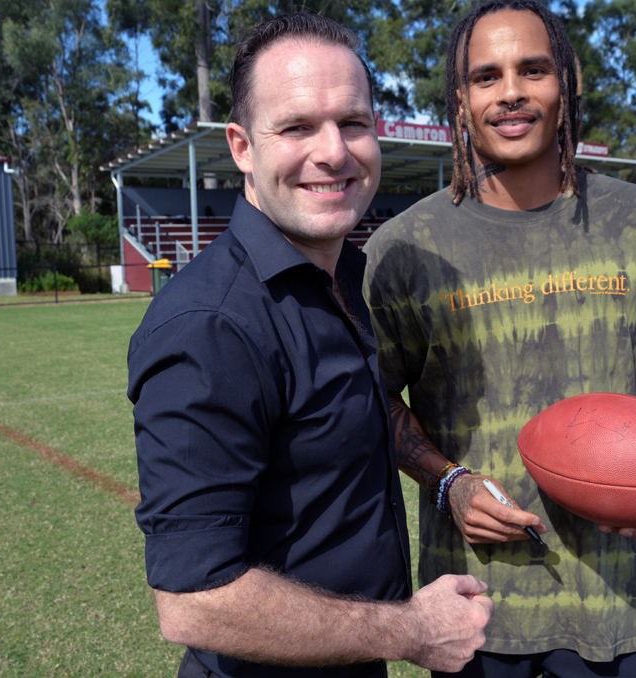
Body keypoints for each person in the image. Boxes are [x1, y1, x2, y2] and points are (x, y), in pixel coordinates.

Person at [362, 1, 636, 676]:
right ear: (460, 99)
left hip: (621, 604)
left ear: (567, 83)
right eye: (486, 76)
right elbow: (372, 399)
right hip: (473, 609)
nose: (511, 93)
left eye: (533, 69)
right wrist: (450, 485)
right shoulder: (405, 248)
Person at [126, 13, 493, 678]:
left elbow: (362, 415)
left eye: (353, 122)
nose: (333, 151)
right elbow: (194, 601)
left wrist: (452, 483)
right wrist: (409, 629)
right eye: (296, 127)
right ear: (242, 146)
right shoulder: (208, 327)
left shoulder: (350, 277)